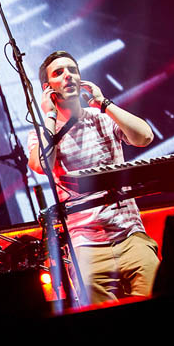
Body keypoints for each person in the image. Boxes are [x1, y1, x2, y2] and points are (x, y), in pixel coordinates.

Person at [27, 50, 157, 305]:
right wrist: (50, 116)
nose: (69, 76)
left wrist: (103, 103)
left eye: (73, 70)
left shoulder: (102, 117)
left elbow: (144, 137)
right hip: (85, 245)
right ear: (47, 88)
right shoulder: (44, 133)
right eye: (59, 73)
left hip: (130, 234)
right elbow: (42, 164)